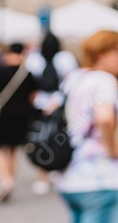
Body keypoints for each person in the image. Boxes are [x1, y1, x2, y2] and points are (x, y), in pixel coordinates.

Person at [58, 30, 118, 223]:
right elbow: (104, 118)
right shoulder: (104, 80)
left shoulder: (75, 78)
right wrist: (114, 150)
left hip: (72, 174)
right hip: (102, 177)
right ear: (101, 53)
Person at [25, 31, 78, 195]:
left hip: (47, 104)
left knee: (47, 140)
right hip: (49, 104)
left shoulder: (35, 59)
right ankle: (47, 174)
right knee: (51, 139)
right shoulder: (63, 58)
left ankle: (49, 173)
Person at [0, 42, 38, 202]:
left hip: (3, 114)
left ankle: (5, 179)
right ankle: (10, 180)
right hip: (22, 115)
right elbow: (33, 96)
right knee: (14, 150)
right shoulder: (27, 73)